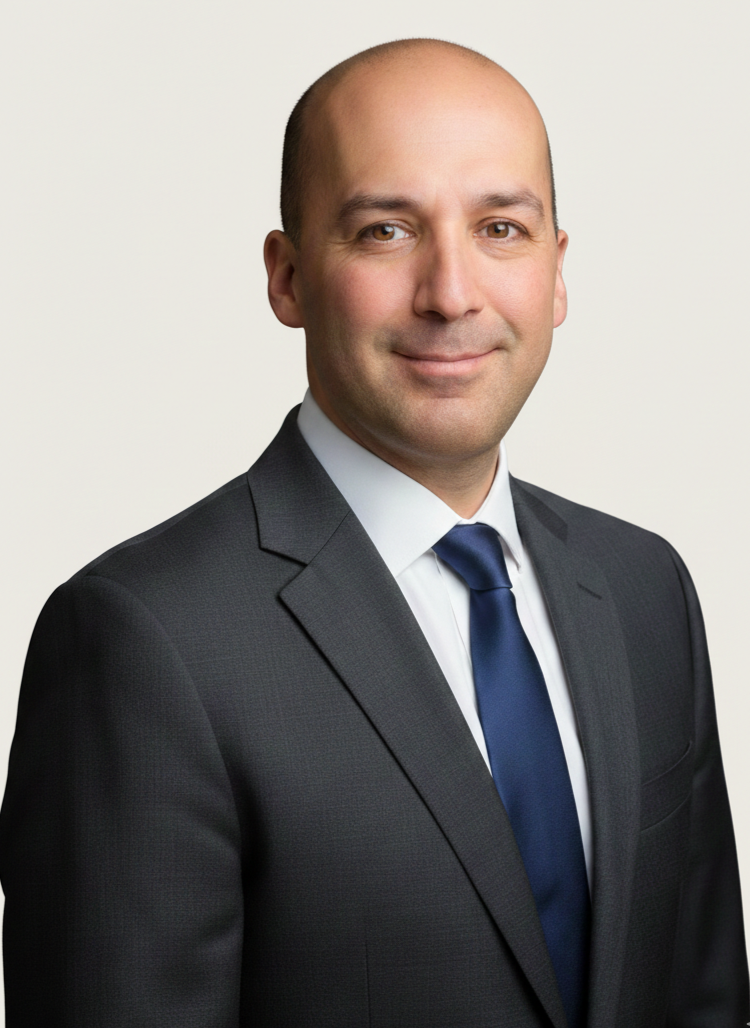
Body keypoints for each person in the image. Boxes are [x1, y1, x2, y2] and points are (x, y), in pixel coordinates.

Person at [0, 36, 747, 1028]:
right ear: (289, 277)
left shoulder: (646, 588)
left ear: (558, 273)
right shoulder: (142, 639)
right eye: (386, 230)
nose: (451, 292)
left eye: (502, 228)